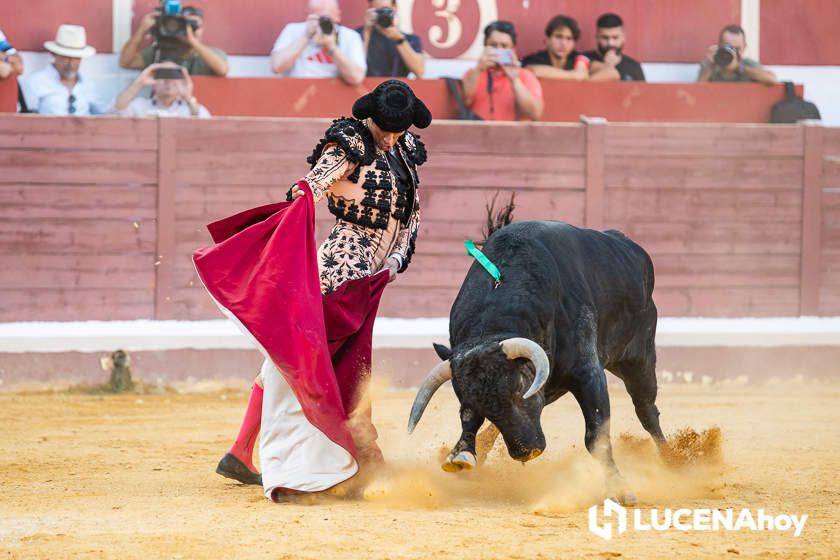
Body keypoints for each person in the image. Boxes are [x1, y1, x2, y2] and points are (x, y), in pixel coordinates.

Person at [200, 80, 431, 500]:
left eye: (399, 129)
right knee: (319, 361)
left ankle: (242, 450)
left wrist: (397, 260)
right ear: (370, 117)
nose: (392, 135)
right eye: (386, 127)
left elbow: (411, 214)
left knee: (301, 357)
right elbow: (312, 185)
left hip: (370, 274)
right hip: (340, 268)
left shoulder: (405, 151)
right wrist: (300, 199)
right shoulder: (350, 143)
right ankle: (356, 458)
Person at [462, 21, 543, 121]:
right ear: (485, 47)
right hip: (479, 134)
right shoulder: (474, 73)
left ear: (513, 49)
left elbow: (534, 114)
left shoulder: (525, 76)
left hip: (514, 135)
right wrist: (479, 68)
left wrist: (515, 80)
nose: (498, 50)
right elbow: (464, 102)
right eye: (493, 45)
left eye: (504, 46)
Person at [271, 0, 366, 85]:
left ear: (338, 16)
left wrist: (331, 47)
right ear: (309, 16)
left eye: (327, 19)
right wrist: (306, 36)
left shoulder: (350, 36)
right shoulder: (292, 30)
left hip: (334, 95)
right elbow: (277, 67)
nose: (322, 24)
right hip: (296, 92)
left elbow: (356, 78)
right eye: (318, 18)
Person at [19, 24, 107, 115]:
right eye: (66, 57)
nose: (71, 63)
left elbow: (103, 115)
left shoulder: (88, 84)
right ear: (54, 54)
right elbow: (27, 118)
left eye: (76, 58)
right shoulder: (35, 81)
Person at [119, 5, 229, 76]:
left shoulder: (212, 54)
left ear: (203, 29)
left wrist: (193, 42)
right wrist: (142, 30)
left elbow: (222, 70)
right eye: (185, 25)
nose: (189, 30)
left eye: (194, 26)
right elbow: (125, 62)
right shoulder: (158, 52)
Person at [113, 62, 210, 117]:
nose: (168, 80)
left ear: (182, 81)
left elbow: (206, 125)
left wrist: (188, 97)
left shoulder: (190, 109)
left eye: (173, 75)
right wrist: (138, 83)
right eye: (162, 75)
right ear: (153, 82)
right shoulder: (140, 106)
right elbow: (116, 111)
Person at [357, 0, 424, 77]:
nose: (382, 15)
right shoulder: (356, 36)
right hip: (366, 87)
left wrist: (399, 39)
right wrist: (366, 32)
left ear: (395, 8)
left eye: (385, 10)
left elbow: (419, 71)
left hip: (396, 87)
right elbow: (355, 68)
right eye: (378, 11)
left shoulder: (410, 39)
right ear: (370, 9)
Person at [697, 24, 777, 85]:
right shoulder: (711, 64)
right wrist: (709, 66)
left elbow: (772, 80)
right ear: (719, 45)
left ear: (744, 47)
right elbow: (698, 90)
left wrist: (738, 68)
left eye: (737, 48)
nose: (733, 52)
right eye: (728, 47)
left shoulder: (748, 64)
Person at [521, 15, 589, 80]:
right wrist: (574, 75)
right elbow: (532, 71)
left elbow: (583, 74)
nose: (563, 43)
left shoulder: (577, 58)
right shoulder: (537, 58)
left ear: (574, 43)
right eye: (558, 37)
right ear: (548, 39)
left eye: (569, 38)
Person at [584, 13, 645, 82]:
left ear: (623, 37)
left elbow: (642, 92)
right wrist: (607, 66)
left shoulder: (634, 66)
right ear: (597, 38)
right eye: (605, 37)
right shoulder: (584, 60)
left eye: (615, 37)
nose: (610, 43)